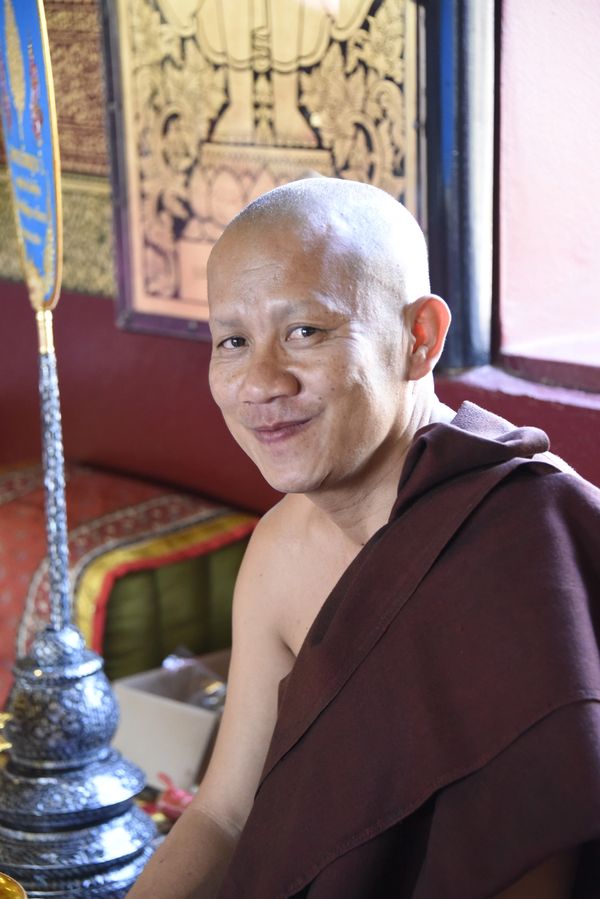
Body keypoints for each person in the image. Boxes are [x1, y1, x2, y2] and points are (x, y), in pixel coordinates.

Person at [127, 178, 600, 898]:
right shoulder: (281, 551)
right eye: (233, 340)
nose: (259, 382)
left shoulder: (526, 534)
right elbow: (224, 816)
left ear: (420, 339)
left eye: (305, 331)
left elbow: (535, 854)